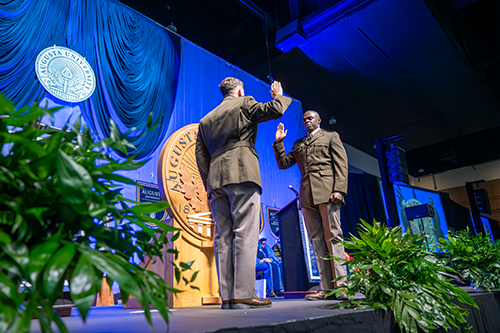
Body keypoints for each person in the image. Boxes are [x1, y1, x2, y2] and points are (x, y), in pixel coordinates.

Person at [195, 77, 292, 309]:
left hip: (216, 180)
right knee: (246, 233)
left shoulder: (205, 120)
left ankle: (227, 297)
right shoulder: (245, 102)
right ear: (239, 91)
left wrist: (210, 183)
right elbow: (276, 110)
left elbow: (200, 157)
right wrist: (278, 94)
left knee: (222, 237)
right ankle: (244, 294)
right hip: (242, 172)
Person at [272, 110, 348, 300]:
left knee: (334, 238)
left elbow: (341, 163)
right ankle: (327, 289)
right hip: (307, 197)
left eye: (310, 118)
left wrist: (339, 189)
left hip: (328, 193)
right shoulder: (299, 144)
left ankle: (342, 287)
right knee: (317, 242)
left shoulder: (331, 136)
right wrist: (279, 142)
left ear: (319, 120)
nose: (307, 121)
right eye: (304, 119)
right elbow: (284, 163)